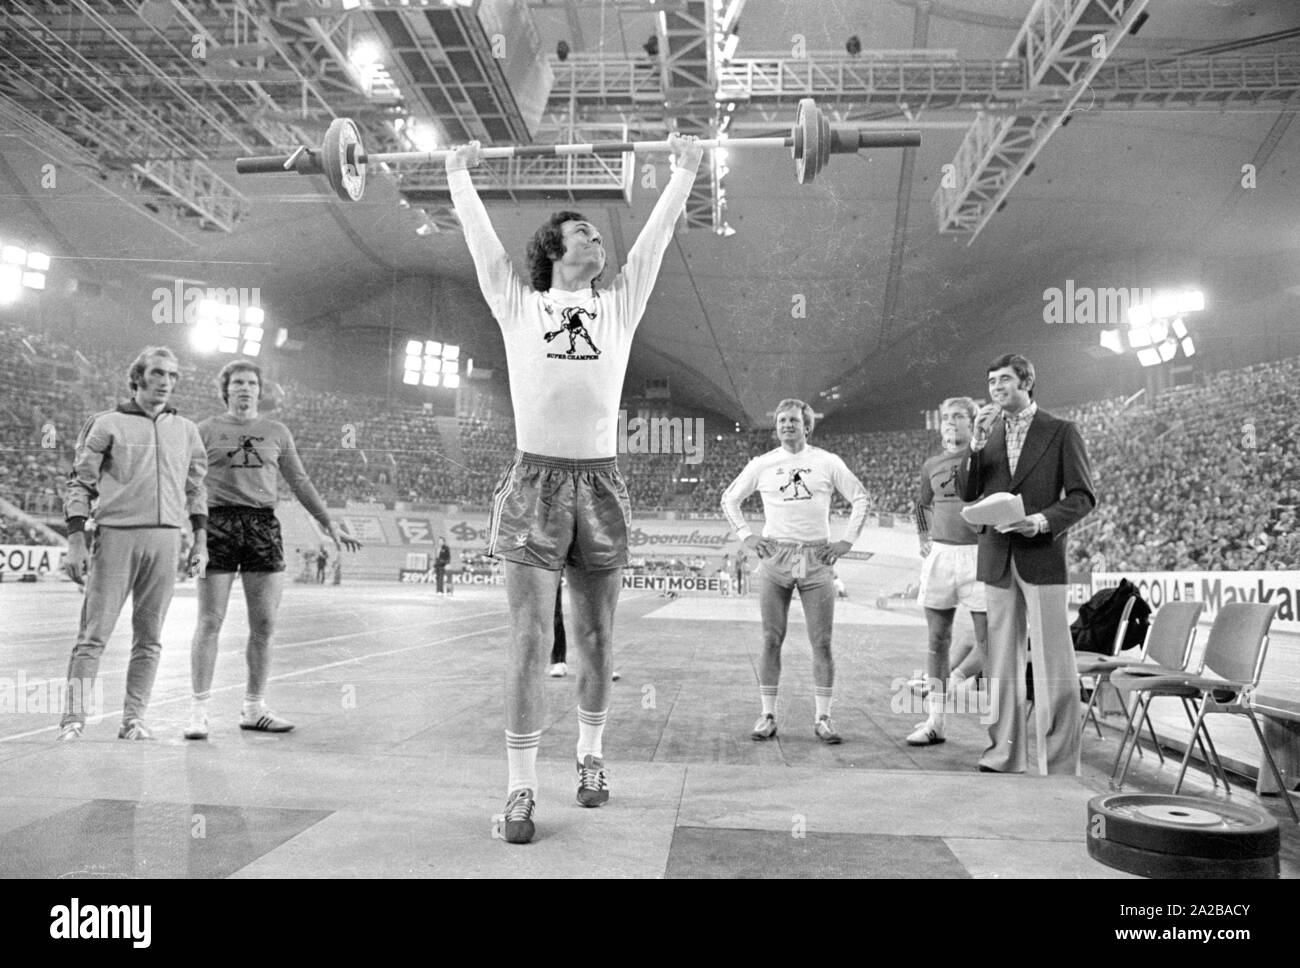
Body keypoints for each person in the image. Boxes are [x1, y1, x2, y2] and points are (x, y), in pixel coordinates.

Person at [446, 131, 703, 844]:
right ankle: (521, 789)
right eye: (585, 233)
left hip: (600, 486)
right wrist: (457, 175)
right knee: (529, 638)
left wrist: (683, 170)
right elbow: (481, 246)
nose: (600, 240)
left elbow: (652, 244)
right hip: (534, 483)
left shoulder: (617, 305)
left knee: (594, 635)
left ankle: (590, 759)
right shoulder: (517, 301)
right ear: (555, 252)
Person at [185, 360, 361, 740]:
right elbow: (188, 480)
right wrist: (191, 531)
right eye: (238, 383)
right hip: (217, 524)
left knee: (263, 625)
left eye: (251, 383)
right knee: (209, 621)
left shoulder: (276, 432)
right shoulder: (205, 430)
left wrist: (328, 522)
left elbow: (299, 480)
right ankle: (198, 712)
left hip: (262, 525)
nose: (245, 388)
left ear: (259, 390)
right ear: (226, 389)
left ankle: (254, 707)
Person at [57, 347, 208, 741]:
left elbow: (196, 489)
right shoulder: (107, 423)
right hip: (116, 536)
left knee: (150, 637)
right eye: (158, 373)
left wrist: (200, 542)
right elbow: (80, 483)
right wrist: (76, 540)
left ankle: (134, 719)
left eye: (173, 376)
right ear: (138, 376)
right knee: (93, 636)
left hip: (167, 539)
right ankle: (74, 719)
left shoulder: (187, 430)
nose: (166, 382)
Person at [956, 354, 1096, 775]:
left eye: (1004, 380)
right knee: (1001, 660)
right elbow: (968, 492)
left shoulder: (1060, 431)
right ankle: (1004, 754)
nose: (996, 388)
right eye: (991, 382)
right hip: (997, 558)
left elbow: (1082, 496)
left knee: (1055, 660)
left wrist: (1040, 522)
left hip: (1042, 556)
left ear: (1027, 382)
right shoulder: (988, 434)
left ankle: (1058, 761)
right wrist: (975, 447)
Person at [721, 399, 869, 745]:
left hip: (816, 557)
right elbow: (730, 499)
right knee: (771, 639)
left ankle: (823, 718)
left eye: (794, 420)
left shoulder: (826, 462)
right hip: (776, 555)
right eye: (782, 420)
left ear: (807, 426)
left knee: (822, 642)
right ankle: (767, 714)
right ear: (776, 427)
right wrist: (747, 536)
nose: (787, 425)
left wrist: (846, 541)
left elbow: (860, 497)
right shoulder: (764, 464)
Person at [908, 396, 989, 747]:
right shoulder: (932, 465)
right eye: (946, 417)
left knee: (992, 641)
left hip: (979, 554)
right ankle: (935, 723)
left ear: (972, 423)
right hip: (941, 555)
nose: (951, 422)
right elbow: (921, 504)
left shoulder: (986, 460)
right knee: (937, 639)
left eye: (958, 416)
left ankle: (958, 682)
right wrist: (924, 537)